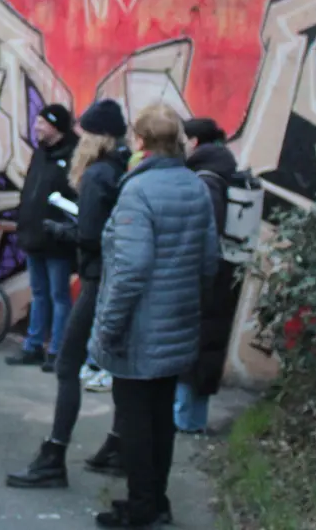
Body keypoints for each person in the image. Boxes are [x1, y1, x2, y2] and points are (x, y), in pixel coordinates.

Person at [91, 103, 218, 529]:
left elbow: (131, 269)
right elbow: (208, 261)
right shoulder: (195, 186)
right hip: (178, 322)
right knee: (160, 417)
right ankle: (153, 501)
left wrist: (108, 329)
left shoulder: (138, 190)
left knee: (134, 420)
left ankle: (142, 507)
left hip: (139, 330)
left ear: (141, 141)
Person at [7, 99, 132, 488]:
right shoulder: (123, 168)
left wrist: (60, 230)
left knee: (67, 367)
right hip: (118, 276)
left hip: (97, 277)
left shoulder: (96, 176)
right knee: (122, 366)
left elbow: (91, 235)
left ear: (97, 137)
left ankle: (54, 456)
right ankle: (117, 444)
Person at [178, 117, 239, 435]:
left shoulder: (206, 178)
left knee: (195, 346)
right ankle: (191, 418)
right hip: (226, 273)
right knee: (208, 344)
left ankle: (185, 420)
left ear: (195, 142)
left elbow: (206, 232)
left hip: (207, 276)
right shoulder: (225, 168)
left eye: (184, 139)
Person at [7, 103, 80, 368]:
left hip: (58, 240)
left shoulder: (73, 155)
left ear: (56, 127)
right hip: (34, 236)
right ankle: (33, 346)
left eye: (41, 123)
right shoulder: (40, 154)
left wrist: (59, 226)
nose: (36, 127)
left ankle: (57, 350)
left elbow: (75, 199)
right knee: (38, 293)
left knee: (59, 296)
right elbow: (30, 191)